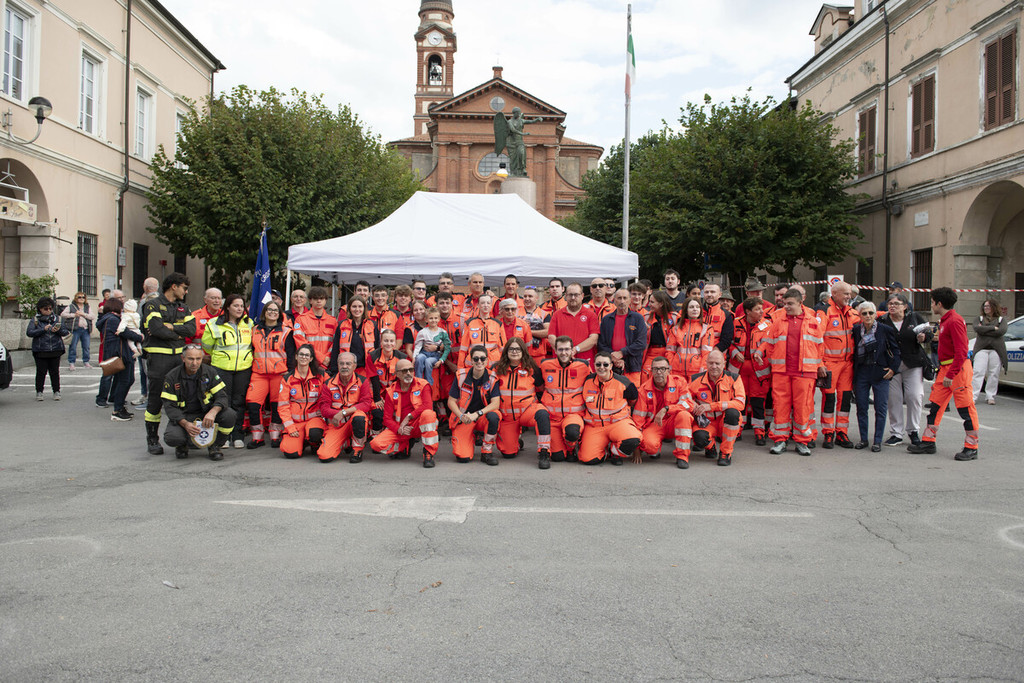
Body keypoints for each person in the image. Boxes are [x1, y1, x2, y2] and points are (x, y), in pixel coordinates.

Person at [908, 288, 980, 461]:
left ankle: (972, 447)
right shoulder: (946, 320)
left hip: (957, 370)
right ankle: (928, 441)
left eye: (932, 302)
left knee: (965, 408)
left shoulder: (954, 321)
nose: (931, 305)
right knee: (936, 406)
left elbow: (962, 351)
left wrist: (951, 374)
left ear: (939, 304)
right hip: (947, 369)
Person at [756, 287, 824, 456]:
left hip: (805, 373)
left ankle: (802, 441)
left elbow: (820, 348)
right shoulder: (778, 321)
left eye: (790, 304)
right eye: (785, 303)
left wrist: (819, 366)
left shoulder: (812, 321)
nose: (786, 306)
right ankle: (780, 440)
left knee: (803, 408)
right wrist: (774, 361)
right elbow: (769, 344)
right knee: (780, 407)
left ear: (800, 303)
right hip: (782, 372)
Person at [142, 273, 195, 455]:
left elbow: (191, 329)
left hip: (178, 360)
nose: (186, 292)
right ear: (174, 286)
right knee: (156, 400)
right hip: (159, 360)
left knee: (182, 399)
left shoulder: (183, 307)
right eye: (184, 288)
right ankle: (152, 439)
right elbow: (157, 329)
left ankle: (181, 438)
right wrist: (178, 333)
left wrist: (171, 327)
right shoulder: (153, 305)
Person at [160, 344, 233, 461]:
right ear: (183, 358)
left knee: (229, 415)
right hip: (185, 416)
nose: (194, 363)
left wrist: (213, 412)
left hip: (206, 415)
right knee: (172, 438)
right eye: (190, 359)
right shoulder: (172, 377)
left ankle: (215, 446)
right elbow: (170, 407)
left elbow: (222, 396)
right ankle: (182, 445)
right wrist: (185, 424)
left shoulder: (210, 372)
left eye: (198, 359)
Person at [878, 293, 931, 446]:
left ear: (905, 306)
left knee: (915, 396)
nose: (892, 306)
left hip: (913, 362)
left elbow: (928, 333)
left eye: (896, 303)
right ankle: (896, 433)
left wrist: (924, 337)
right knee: (894, 398)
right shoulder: (883, 320)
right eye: (890, 303)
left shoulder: (914, 318)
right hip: (891, 365)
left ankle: (913, 430)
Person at [202, 294, 254, 449]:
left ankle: (237, 435)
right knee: (223, 402)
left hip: (243, 369)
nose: (239, 309)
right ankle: (223, 436)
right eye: (236, 306)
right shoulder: (214, 323)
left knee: (239, 402)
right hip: (221, 368)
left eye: (241, 306)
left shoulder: (249, 323)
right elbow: (207, 346)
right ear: (228, 307)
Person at [492, 337, 552, 468]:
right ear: (506, 351)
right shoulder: (496, 369)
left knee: (542, 414)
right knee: (508, 453)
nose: (514, 352)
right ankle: (517, 442)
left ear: (523, 351)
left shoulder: (532, 368)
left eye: (518, 349)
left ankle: (544, 452)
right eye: (511, 349)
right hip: (507, 417)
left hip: (527, 412)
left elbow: (542, 389)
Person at [369, 358, 440, 467]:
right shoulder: (391, 391)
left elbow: (428, 406)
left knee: (428, 414)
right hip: (401, 429)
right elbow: (387, 419)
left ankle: (428, 453)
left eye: (411, 370)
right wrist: (399, 429)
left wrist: (409, 417)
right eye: (404, 371)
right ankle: (404, 446)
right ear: (397, 374)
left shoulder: (423, 384)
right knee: (375, 444)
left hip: (418, 425)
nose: (408, 373)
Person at [851, 301, 900, 451]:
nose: (868, 316)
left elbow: (896, 350)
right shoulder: (856, 330)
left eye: (871, 313)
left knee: (880, 408)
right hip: (862, 372)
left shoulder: (885, 329)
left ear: (875, 314)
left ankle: (877, 441)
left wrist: (892, 369)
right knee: (861, 407)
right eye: (864, 313)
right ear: (860, 315)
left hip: (880, 372)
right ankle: (863, 439)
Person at [682, 349, 746, 466]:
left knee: (733, 413)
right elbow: (684, 398)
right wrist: (692, 404)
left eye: (717, 363)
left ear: (724, 364)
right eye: (711, 363)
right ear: (706, 363)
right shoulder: (695, 379)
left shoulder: (734, 378)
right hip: (706, 423)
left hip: (725, 422)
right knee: (699, 438)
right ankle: (710, 447)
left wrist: (711, 406)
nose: (714, 366)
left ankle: (725, 453)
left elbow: (740, 403)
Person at [577, 351, 641, 465]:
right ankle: (604, 451)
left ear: (611, 366)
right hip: (595, 426)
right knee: (587, 459)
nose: (602, 367)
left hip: (618, 423)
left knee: (633, 439)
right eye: (598, 364)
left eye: (605, 364)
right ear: (594, 365)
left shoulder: (624, 382)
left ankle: (615, 452)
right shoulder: (587, 381)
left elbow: (633, 400)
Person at [816, 281, 859, 449]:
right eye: (846, 294)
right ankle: (828, 432)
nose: (849, 296)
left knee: (845, 398)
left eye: (849, 294)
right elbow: (817, 339)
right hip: (829, 363)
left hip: (847, 364)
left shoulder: (851, 312)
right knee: (829, 398)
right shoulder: (824, 311)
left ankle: (842, 432)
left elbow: (869, 317)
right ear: (834, 294)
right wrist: (820, 363)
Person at [246, 301, 294, 449]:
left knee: (276, 405)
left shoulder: (286, 331)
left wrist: (289, 373)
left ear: (280, 314)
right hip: (258, 373)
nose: (272, 312)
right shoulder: (254, 330)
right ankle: (257, 436)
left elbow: (291, 354)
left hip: (279, 374)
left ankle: (275, 435)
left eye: (275, 310)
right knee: (253, 404)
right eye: (269, 310)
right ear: (264, 312)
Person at [634, 355, 694, 468]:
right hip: (655, 424)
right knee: (649, 446)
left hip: (674, 421)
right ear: (651, 371)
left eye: (662, 369)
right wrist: (636, 449)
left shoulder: (679, 382)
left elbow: (689, 405)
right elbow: (638, 418)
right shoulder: (643, 389)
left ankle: (682, 456)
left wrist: (667, 409)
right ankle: (656, 448)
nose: (659, 372)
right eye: (656, 369)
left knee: (684, 415)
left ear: (669, 370)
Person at [447, 344, 502, 464]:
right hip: (464, 418)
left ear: (487, 360)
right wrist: (461, 416)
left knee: (494, 416)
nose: (479, 362)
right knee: (463, 458)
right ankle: (470, 437)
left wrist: (477, 414)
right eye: (476, 359)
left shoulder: (492, 377)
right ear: (471, 361)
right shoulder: (461, 376)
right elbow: (451, 401)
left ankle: (486, 452)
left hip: (481, 417)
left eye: (482, 358)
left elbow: (496, 404)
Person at [729, 297, 772, 445]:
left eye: (762, 309)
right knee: (740, 400)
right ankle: (738, 429)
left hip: (758, 369)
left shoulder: (767, 325)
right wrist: (734, 352)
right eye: (757, 309)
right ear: (748, 311)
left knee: (758, 401)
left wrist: (758, 353)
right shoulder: (735, 323)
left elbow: (767, 343)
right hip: (738, 369)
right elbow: (729, 342)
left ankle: (759, 431)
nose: (761, 312)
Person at [540, 336, 589, 463]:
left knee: (572, 432)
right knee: (558, 457)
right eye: (560, 349)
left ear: (572, 350)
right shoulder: (545, 365)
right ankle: (562, 447)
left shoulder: (583, 366)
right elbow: (537, 385)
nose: (564, 353)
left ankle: (571, 448)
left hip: (573, 415)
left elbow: (594, 383)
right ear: (555, 350)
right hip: (552, 418)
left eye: (567, 349)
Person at [316, 352, 373, 463]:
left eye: (348, 363)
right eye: (341, 363)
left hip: (354, 420)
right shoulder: (328, 383)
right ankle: (347, 442)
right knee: (324, 456)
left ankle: (357, 450)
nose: (344, 366)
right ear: (337, 365)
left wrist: (343, 413)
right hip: (337, 425)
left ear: (354, 366)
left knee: (359, 417)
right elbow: (324, 409)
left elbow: (366, 404)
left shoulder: (362, 381)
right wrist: (338, 415)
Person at [277, 343, 327, 459]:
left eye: (307, 355)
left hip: (315, 420)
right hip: (296, 423)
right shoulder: (287, 379)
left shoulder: (321, 376)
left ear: (311, 359)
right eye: (301, 354)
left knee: (315, 434)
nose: (303, 357)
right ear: (296, 356)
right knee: (291, 453)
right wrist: (290, 427)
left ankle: (313, 442)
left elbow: (330, 395)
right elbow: (283, 406)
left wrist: (324, 413)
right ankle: (303, 441)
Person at [97, 298, 143, 421]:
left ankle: (119, 405)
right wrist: (140, 337)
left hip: (118, 353)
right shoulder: (113, 320)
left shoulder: (106, 318)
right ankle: (117, 410)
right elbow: (126, 333)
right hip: (122, 354)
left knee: (127, 380)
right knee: (125, 380)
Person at [597, 288, 648, 386]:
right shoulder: (606, 320)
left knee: (632, 393)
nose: (622, 301)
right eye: (619, 298)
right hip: (610, 366)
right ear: (614, 300)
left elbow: (641, 343)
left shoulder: (638, 318)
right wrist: (613, 357)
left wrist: (622, 352)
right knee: (611, 393)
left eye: (625, 298)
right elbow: (601, 344)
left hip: (632, 366)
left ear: (630, 300)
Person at [546, 283, 599, 367]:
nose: (573, 297)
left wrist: (575, 349)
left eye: (576, 295)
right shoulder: (557, 315)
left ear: (582, 296)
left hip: (585, 362)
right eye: (570, 295)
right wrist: (565, 352)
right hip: (561, 363)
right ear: (566, 296)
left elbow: (593, 339)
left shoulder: (591, 315)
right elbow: (551, 337)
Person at [27, 296, 66, 400]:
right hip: (41, 349)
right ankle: (39, 392)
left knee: (55, 372)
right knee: (41, 372)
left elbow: (65, 331)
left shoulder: (57, 318)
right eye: (45, 309)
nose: (48, 311)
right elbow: (29, 332)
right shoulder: (35, 320)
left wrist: (57, 330)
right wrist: (43, 329)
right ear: (40, 309)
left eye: (50, 308)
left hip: (55, 348)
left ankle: (56, 391)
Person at [329, 296, 376, 379]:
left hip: (366, 370)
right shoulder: (341, 325)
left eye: (360, 306)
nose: (357, 309)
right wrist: (334, 371)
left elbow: (377, 349)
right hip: (346, 369)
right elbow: (335, 349)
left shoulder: (372, 325)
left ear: (364, 309)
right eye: (354, 306)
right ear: (349, 308)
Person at [971, 298, 1007, 405]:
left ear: (994, 307)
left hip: (995, 350)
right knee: (978, 372)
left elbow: (1001, 331)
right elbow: (977, 328)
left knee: (994, 373)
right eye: (985, 306)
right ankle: (973, 396)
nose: (986, 308)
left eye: (988, 306)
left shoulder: (1001, 320)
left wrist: (984, 329)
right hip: (981, 349)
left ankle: (990, 396)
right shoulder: (979, 319)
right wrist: (993, 328)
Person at [667, 297, 713, 379]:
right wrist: (669, 367)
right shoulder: (676, 329)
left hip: (696, 371)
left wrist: (703, 370)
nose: (695, 309)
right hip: (676, 370)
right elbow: (670, 351)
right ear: (686, 310)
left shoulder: (706, 328)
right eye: (691, 307)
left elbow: (707, 354)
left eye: (697, 307)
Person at [132, 278, 160, 408]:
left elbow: (138, 321)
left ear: (145, 287)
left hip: (146, 342)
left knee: (146, 372)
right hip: (159, 343)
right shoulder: (163, 301)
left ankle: (147, 397)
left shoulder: (145, 302)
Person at [95, 289, 125, 407]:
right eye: (119, 298)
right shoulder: (112, 318)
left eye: (123, 297)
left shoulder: (108, 316)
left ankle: (112, 396)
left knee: (116, 373)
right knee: (108, 374)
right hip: (112, 348)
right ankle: (102, 399)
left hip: (113, 347)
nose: (122, 300)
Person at [293, 286, 337, 368]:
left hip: (327, 364)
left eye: (321, 298)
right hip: (308, 363)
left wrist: (328, 358)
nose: (319, 301)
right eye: (316, 298)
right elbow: (300, 342)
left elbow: (336, 342)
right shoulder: (301, 319)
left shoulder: (333, 321)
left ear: (325, 300)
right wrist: (321, 358)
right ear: (310, 300)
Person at [458, 293, 505, 369]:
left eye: (488, 303)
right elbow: (463, 349)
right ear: (478, 305)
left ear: (491, 306)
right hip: (473, 365)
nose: (486, 305)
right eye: (483, 303)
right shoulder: (469, 323)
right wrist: (460, 368)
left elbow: (503, 349)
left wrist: (503, 367)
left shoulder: (498, 324)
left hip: (493, 366)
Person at [642, 290, 677, 384]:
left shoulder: (674, 317)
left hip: (668, 352)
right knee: (646, 377)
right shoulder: (646, 317)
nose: (649, 304)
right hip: (650, 353)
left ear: (661, 304)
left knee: (667, 379)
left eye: (652, 302)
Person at [413, 307, 452, 385]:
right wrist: (414, 357)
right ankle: (418, 380)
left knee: (428, 361)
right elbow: (418, 346)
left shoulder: (442, 332)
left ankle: (428, 383)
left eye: (435, 318)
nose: (433, 320)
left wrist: (441, 360)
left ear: (439, 319)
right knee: (419, 358)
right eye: (431, 318)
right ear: (426, 319)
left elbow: (447, 347)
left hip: (435, 355)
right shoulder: (422, 332)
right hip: (424, 353)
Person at [62, 292, 95, 369]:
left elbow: (92, 316)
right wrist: (74, 315)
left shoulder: (87, 307)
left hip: (85, 329)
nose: (81, 299)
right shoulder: (71, 306)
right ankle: (72, 362)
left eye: (83, 297)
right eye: (79, 297)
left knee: (86, 346)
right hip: (75, 329)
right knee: (73, 346)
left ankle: (86, 362)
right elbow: (63, 314)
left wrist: (83, 314)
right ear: (76, 298)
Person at [700, 283, 734, 352]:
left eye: (712, 292)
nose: (709, 294)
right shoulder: (697, 312)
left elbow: (726, 340)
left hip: (716, 354)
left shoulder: (726, 315)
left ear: (719, 294)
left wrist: (714, 352)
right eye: (706, 292)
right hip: (697, 355)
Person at [521, 286, 550, 363]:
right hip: (520, 354)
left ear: (536, 298)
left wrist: (528, 331)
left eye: (530, 296)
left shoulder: (544, 314)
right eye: (525, 296)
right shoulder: (516, 312)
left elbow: (547, 332)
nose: (527, 298)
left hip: (538, 354)